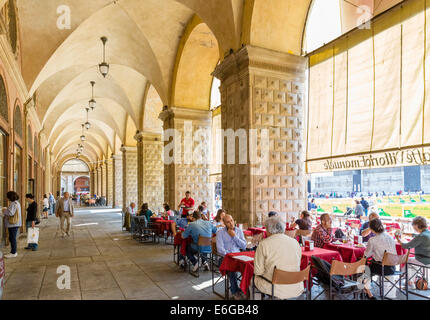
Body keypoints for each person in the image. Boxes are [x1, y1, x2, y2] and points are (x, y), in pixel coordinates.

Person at [254, 216, 303, 300]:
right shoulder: (294, 242)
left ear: (268, 230)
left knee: (252, 280)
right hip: (295, 285)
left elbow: (258, 271)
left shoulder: (264, 244)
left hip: (275, 287)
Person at [364, 218, 397, 299]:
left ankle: (368, 292)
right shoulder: (390, 237)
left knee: (364, 267)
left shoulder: (372, 240)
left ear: (371, 229)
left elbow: (366, 254)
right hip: (392, 267)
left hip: (382, 268)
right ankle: (366, 290)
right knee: (370, 264)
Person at [216, 214, 247, 300]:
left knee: (248, 267)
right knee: (231, 269)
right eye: (228, 222)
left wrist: (234, 236)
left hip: (238, 257)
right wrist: (230, 256)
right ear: (224, 223)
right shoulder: (220, 233)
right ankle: (235, 292)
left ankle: (244, 290)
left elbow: (244, 246)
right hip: (225, 258)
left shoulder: (239, 231)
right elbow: (220, 249)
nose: (231, 223)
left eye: (232, 221)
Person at [396, 216, 430, 289]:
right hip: (427, 258)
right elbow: (417, 236)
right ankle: (411, 281)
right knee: (411, 262)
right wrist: (405, 234)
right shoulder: (427, 233)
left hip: (425, 260)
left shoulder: (421, 236)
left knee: (407, 261)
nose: (413, 227)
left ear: (416, 226)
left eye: (413, 225)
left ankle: (409, 283)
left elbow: (406, 246)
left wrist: (398, 240)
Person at [2, 191, 22, 258]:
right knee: (12, 237)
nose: (6, 198)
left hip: (13, 224)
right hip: (15, 224)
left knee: (12, 238)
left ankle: (14, 252)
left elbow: (11, 213)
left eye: (7, 196)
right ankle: (13, 251)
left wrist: (4, 210)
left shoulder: (13, 203)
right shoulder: (16, 203)